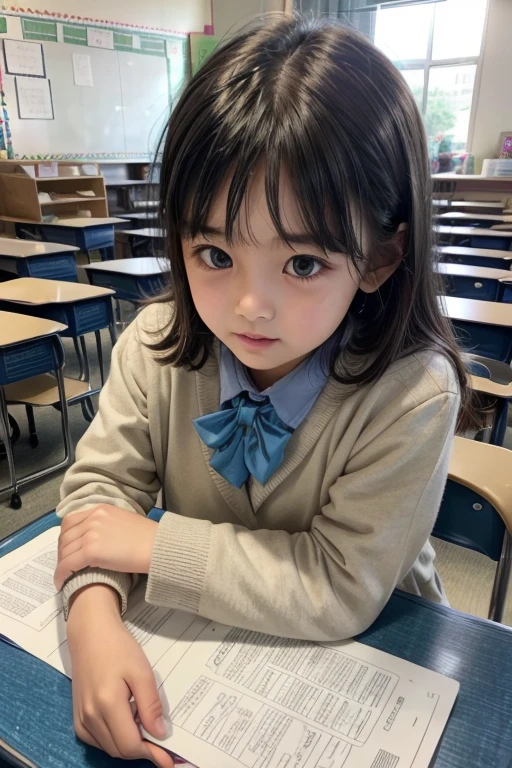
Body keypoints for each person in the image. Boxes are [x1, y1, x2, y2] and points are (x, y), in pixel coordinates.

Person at [53, 14, 474, 767]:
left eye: (303, 263)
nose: (250, 306)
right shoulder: (156, 345)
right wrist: (91, 613)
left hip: (377, 658)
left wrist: (153, 543)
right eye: (214, 251)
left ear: (380, 256)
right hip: (212, 662)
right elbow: (98, 491)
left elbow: (342, 585)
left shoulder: (413, 394)